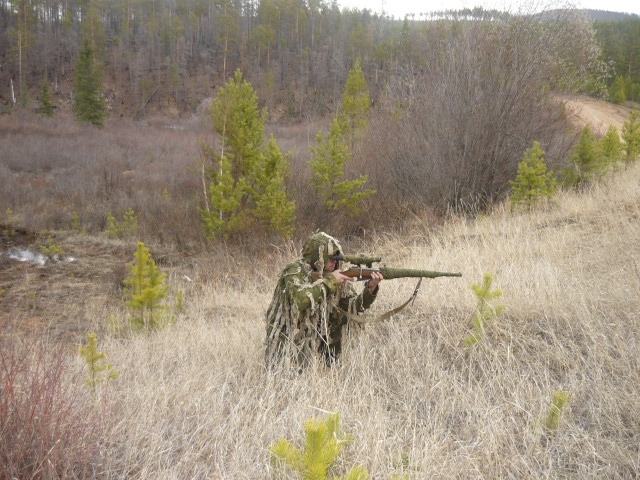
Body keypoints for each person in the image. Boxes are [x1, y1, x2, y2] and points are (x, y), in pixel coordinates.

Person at [265, 231, 383, 369]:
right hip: (289, 333)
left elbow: (352, 307)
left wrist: (370, 289)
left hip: (317, 333)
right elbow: (300, 300)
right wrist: (330, 281)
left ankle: (329, 362)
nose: (335, 262)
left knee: (337, 318)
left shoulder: (336, 274)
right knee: (285, 375)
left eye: (337, 258)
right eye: (331, 258)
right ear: (318, 257)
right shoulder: (296, 270)